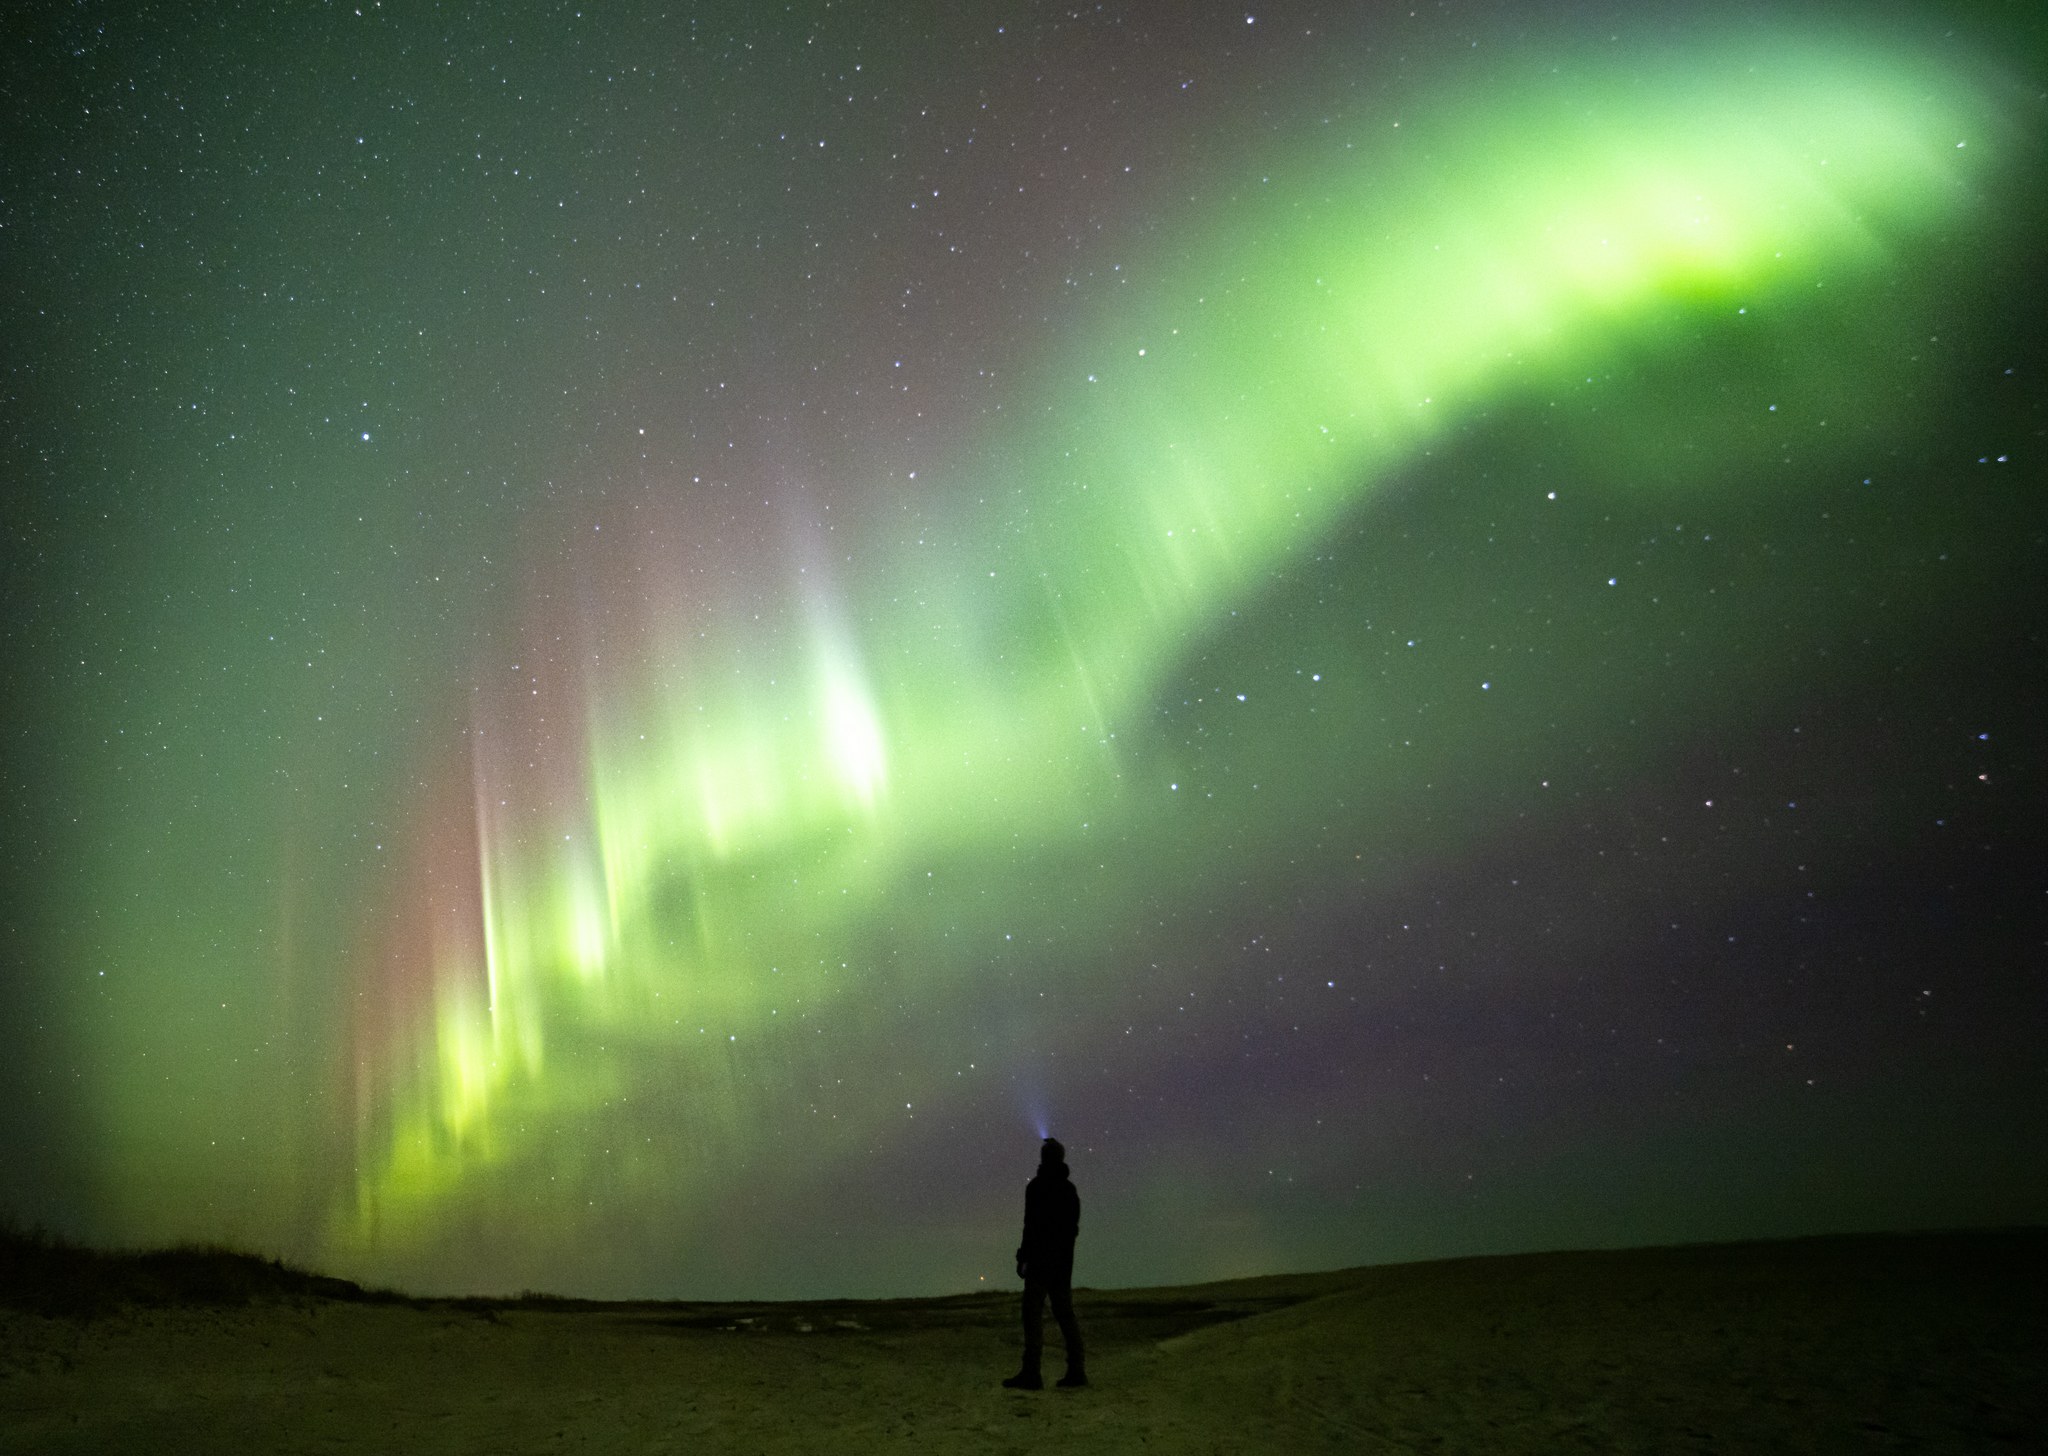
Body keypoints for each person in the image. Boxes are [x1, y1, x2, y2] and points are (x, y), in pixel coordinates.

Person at [1003, 1137, 1086, 1390]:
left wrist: (1024, 1258)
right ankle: (1076, 1370)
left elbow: (1031, 1227)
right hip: (1061, 1263)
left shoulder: (1037, 1187)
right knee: (1064, 1314)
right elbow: (1072, 1230)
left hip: (1040, 1261)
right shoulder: (1069, 1190)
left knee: (1032, 1314)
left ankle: (1032, 1373)